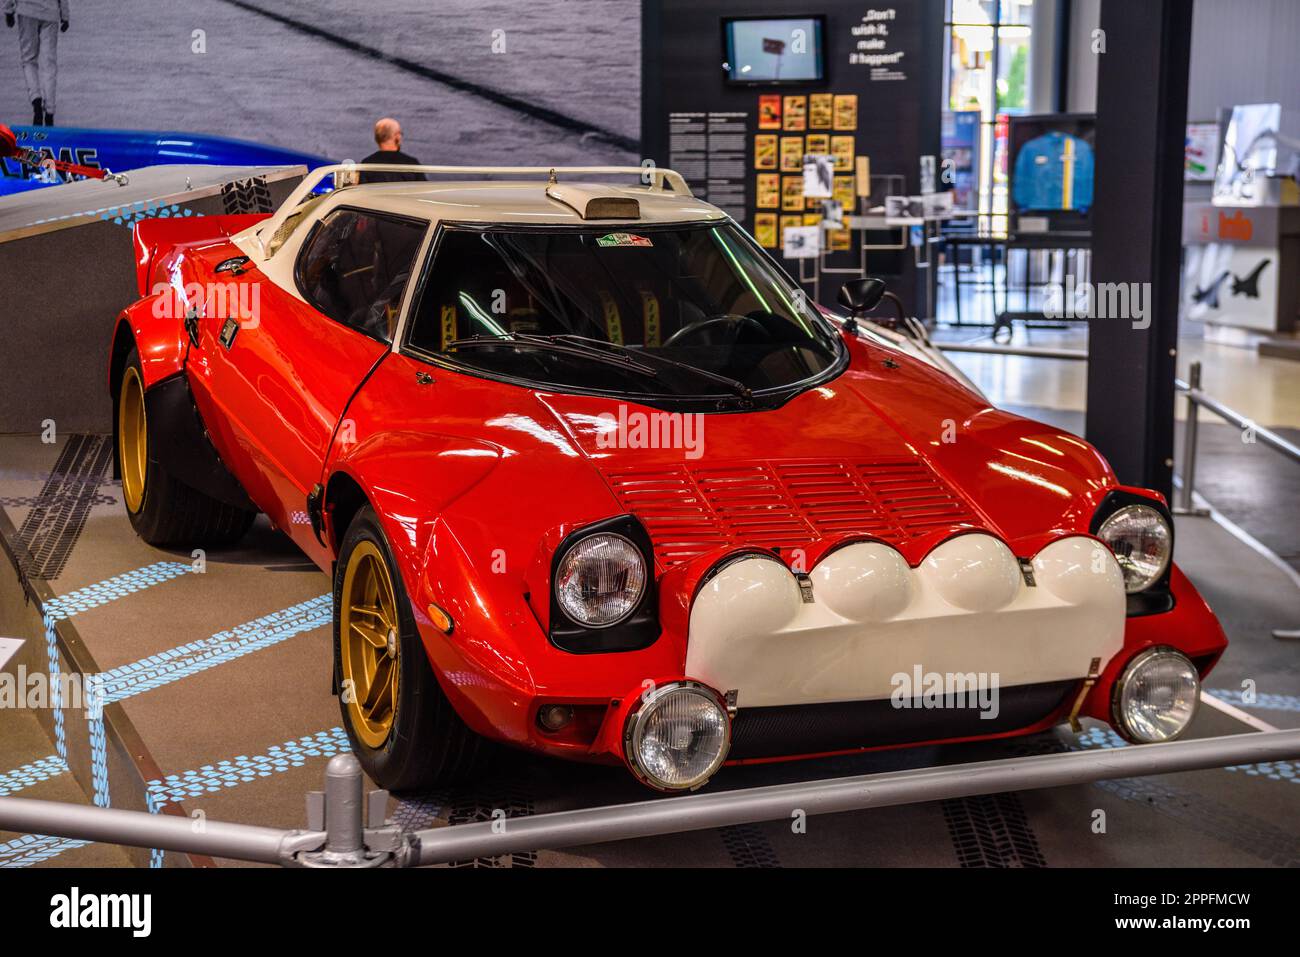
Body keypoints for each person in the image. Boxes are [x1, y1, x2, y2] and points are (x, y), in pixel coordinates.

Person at [5, 0, 68, 126]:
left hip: (27, 10)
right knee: (49, 63)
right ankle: (50, 112)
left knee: (29, 60)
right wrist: (65, 15)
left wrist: (8, 9)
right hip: (51, 12)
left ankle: (36, 101)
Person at [358, 118, 426, 184]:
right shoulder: (412, 164)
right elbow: (424, 190)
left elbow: (362, 192)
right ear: (397, 136)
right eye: (400, 134)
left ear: (376, 138)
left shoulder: (367, 164)